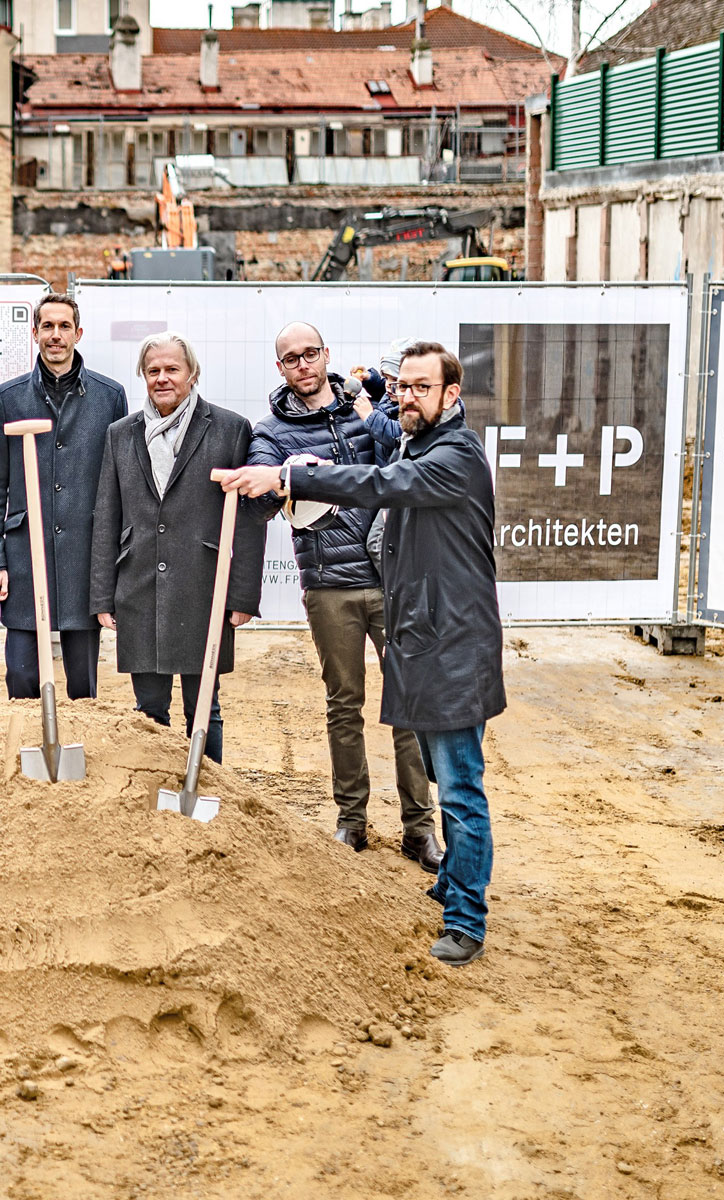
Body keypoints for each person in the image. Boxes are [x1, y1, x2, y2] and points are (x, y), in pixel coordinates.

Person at [220, 341, 504, 968]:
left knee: (459, 789)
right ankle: (453, 882)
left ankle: (465, 920)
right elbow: (382, 450)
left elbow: (376, 481)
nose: (406, 397)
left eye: (420, 388)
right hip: (426, 642)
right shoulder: (420, 441)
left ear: (451, 395)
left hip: (453, 650)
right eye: (401, 386)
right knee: (438, 770)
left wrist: (291, 474)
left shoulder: (452, 456)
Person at [247, 321, 439, 870]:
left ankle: (418, 828)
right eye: (291, 358)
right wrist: (285, 476)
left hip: (393, 578)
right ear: (279, 368)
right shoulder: (271, 432)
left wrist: (362, 403)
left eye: (311, 354)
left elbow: (408, 454)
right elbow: (261, 501)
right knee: (344, 705)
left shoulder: (368, 411)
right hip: (329, 586)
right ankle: (351, 821)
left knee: (410, 704)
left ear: (327, 355)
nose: (303, 365)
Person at [89, 332, 263, 752]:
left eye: (172, 369)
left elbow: (248, 519)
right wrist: (102, 597)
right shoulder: (120, 433)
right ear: (142, 377)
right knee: (149, 711)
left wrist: (241, 596)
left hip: (203, 585)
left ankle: (209, 791)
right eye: (153, 371)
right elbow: (106, 516)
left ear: (192, 373)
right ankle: (157, 801)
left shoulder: (229, 429)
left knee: (204, 706)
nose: (162, 378)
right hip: (139, 585)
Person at [0, 292, 127, 700]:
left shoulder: (108, 397)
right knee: (22, 678)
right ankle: (26, 759)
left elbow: (119, 486)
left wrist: (112, 562)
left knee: (83, 685)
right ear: (34, 333)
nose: (56, 335)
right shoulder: (8, 398)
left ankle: (81, 760)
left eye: (64, 327)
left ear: (78, 333)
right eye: (48, 326)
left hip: (84, 557)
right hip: (25, 558)